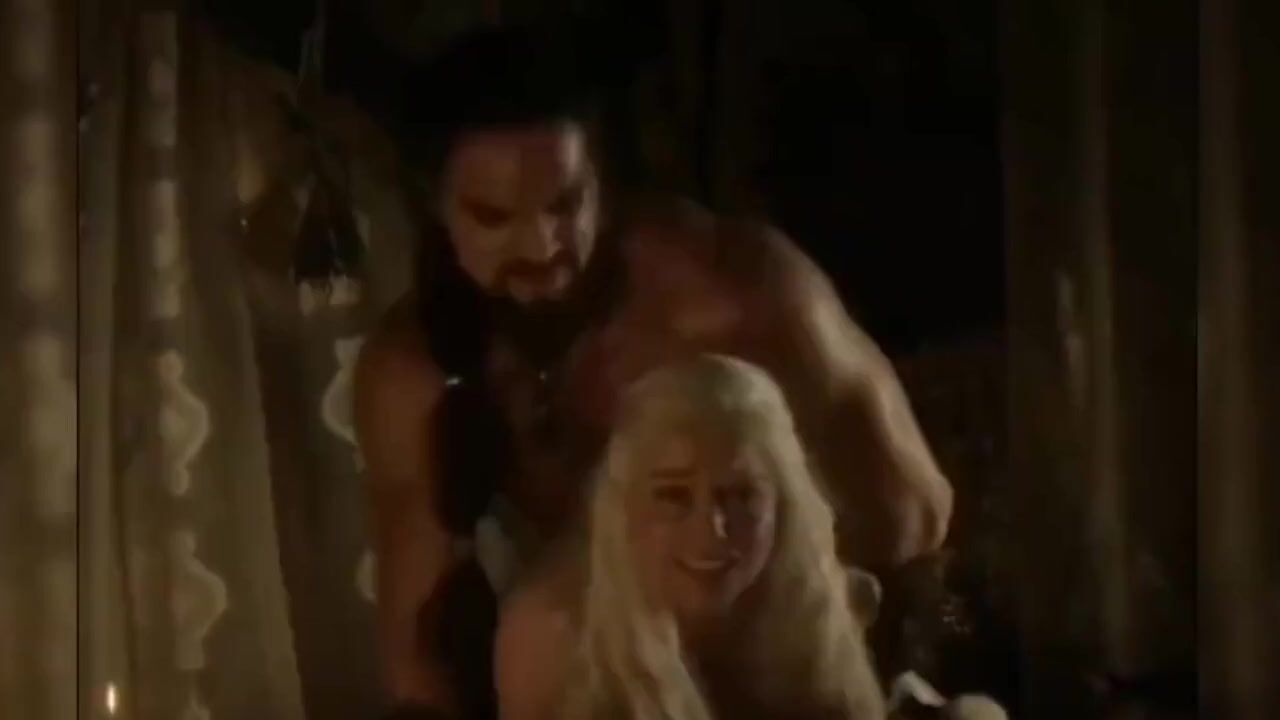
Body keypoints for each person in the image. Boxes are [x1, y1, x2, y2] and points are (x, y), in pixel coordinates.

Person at [354, 22, 953, 720]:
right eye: (493, 217)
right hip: (591, 669)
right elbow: (419, 662)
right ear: (436, 211)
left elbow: (913, 518)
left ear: (602, 183)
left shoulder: (729, 297)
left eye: (565, 204)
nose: (542, 246)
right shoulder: (415, 374)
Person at [494, 354, 888, 720]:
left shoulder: (818, 615)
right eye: (673, 496)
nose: (712, 528)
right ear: (622, 505)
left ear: (784, 507)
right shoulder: (549, 639)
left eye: (741, 495)